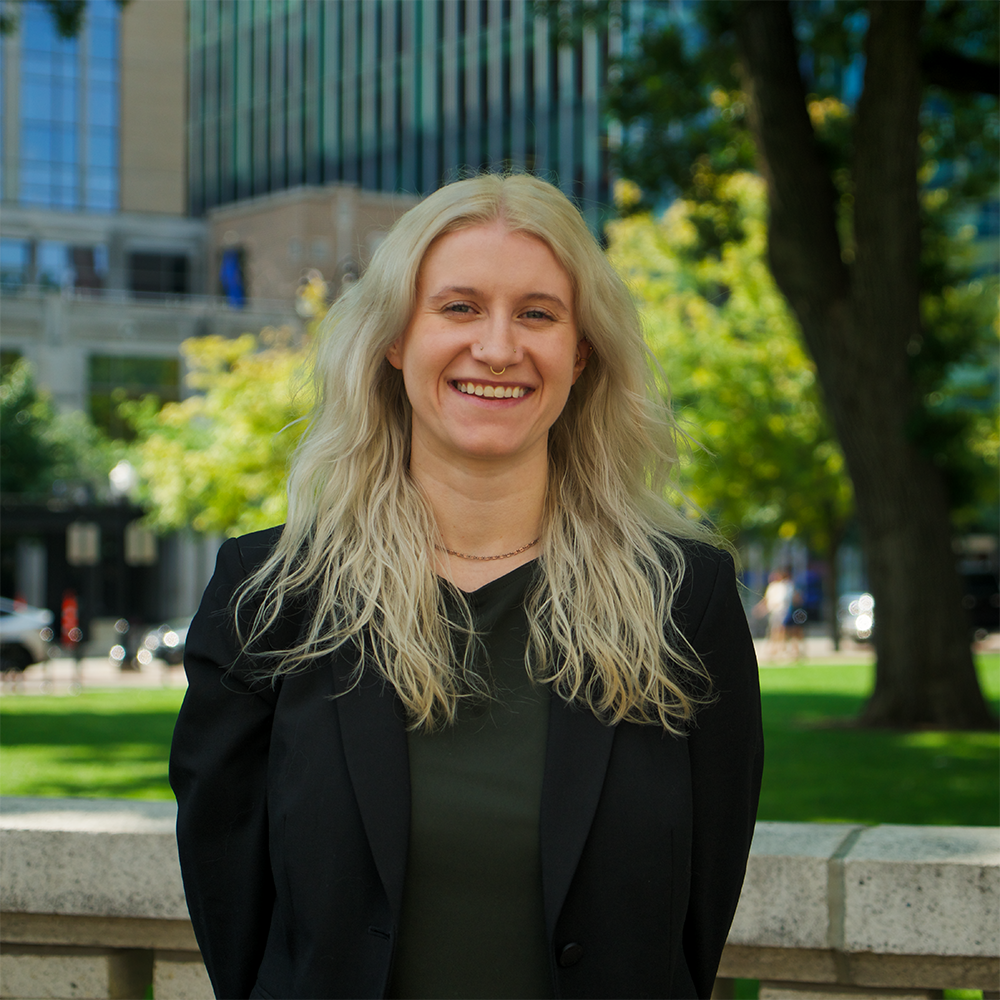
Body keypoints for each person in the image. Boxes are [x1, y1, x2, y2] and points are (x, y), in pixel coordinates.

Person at [170, 173, 763, 1000]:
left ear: (581, 350)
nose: (497, 347)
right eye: (458, 307)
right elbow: (231, 898)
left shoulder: (682, 600)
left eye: (537, 313)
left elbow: (697, 915)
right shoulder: (272, 596)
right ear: (393, 340)